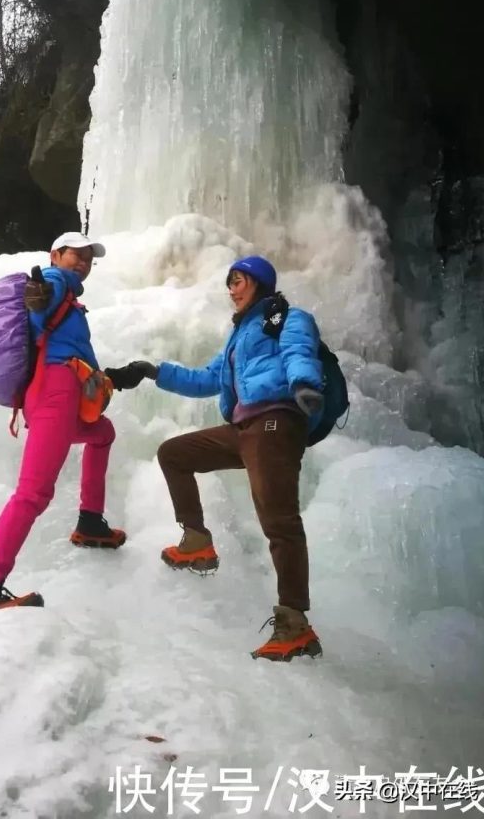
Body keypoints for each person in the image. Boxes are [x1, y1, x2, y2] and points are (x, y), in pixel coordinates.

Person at [104, 255, 325, 661]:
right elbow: (206, 379)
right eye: (230, 282)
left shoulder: (286, 319)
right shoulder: (237, 338)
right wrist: (153, 371)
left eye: (238, 280)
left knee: (277, 518)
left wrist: (305, 385)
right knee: (174, 453)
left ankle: (294, 622)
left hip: (275, 420)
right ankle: (197, 542)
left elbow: (298, 352)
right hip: (243, 430)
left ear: (259, 283)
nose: (231, 288)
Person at [0, 231, 127, 610]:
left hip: (58, 394)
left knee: (103, 433)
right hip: (56, 392)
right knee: (33, 492)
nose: (83, 263)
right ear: (56, 254)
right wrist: (40, 295)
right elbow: (39, 302)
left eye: (89, 258)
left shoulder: (70, 295)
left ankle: (90, 521)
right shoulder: (56, 281)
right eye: (77, 255)